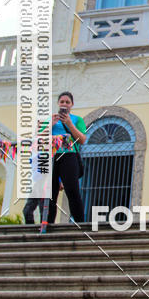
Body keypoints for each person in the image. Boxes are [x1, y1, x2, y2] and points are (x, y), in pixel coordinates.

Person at [46, 92, 86, 227]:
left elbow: (82, 140)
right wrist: (50, 124)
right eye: (62, 102)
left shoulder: (77, 119)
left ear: (72, 105)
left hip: (69, 156)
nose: (64, 104)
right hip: (52, 157)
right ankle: (47, 223)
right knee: (50, 192)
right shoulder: (50, 119)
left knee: (72, 190)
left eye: (67, 102)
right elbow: (38, 138)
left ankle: (81, 223)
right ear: (58, 103)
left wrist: (69, 123)